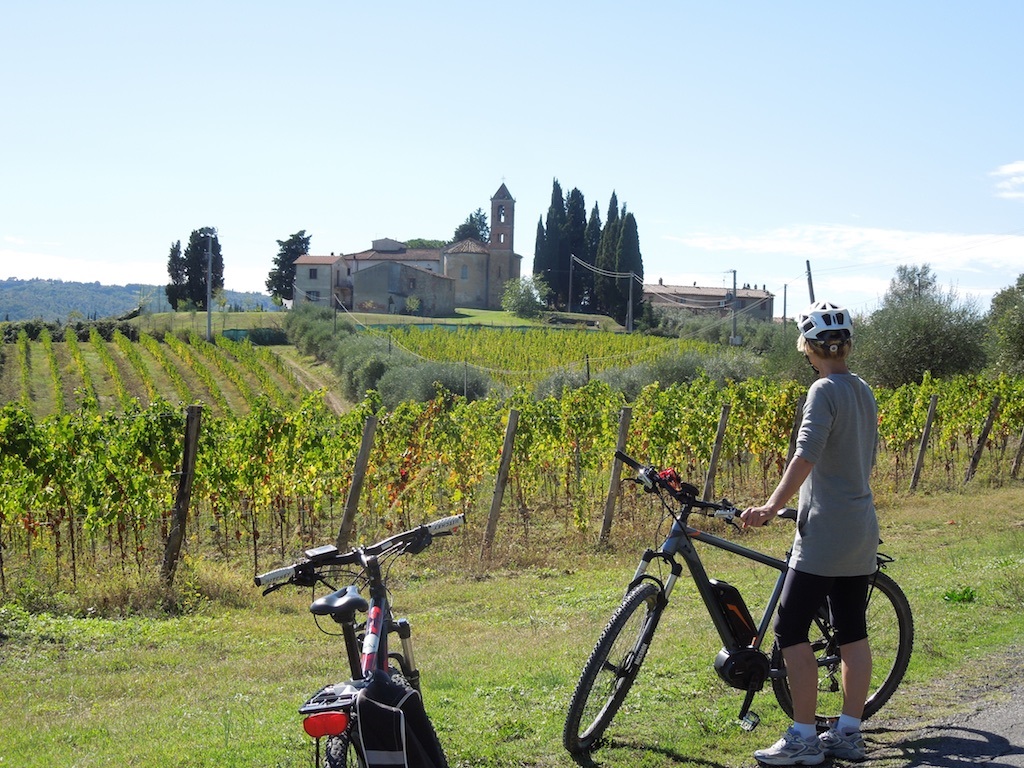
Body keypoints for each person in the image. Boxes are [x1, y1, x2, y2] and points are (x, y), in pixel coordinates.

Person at [741, 301, 879, 766]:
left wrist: (771, 505)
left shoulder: (823, 390)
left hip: (824, 531)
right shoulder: (862, 390)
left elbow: (806, 454)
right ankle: (849, 734)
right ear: (846, 347)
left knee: (790, 629)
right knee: (852, 631)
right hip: (860, 526)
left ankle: (803, 738)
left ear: (807, 347)